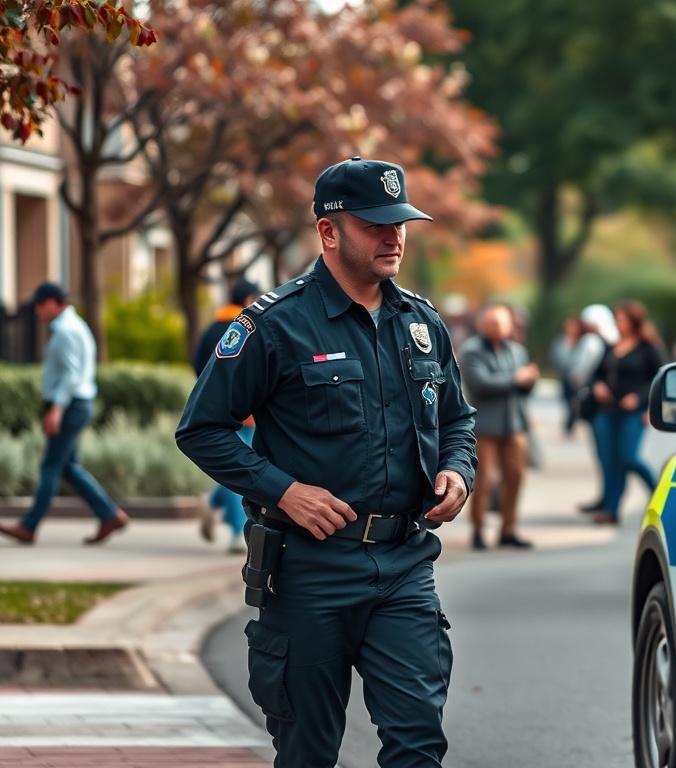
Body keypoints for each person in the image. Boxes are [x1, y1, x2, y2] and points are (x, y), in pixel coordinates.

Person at [175, 157, 476, 768]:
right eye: (375, 224)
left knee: (418, 742)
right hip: (309, 568)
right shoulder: (274, 325)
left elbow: (457, 420)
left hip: (404, 563)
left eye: (400, 223)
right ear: (329, 231)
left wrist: (457, 471)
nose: (393, 236)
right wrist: (283, 491)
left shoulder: (422, 323)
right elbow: (201, 429)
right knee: (308, 750)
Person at [0, 283, 129, 545]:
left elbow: (71, 375)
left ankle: (29, 526)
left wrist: (56, 409)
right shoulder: (73, 326)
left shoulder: (66, 331)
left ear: (53, 303)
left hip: (70, 405)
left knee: (50, 466)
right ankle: (109, 515)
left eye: (39, 304)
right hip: (75, 403)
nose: (36, 311)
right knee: (68, 468)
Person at [191, 278, 262, 554]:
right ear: (246, 300)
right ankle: (236, 532)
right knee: (241, 470)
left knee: (237, 468)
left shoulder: (212, 330)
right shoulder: (252, 327)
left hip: (219, 409)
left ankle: (213, 502)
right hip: (248, 413)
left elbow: (199, 366)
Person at [461, 302, 539, 550]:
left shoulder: (517, 351)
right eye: (495, 322)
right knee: (484, 481)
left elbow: (524, 390)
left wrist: (529, 381)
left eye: (504, 322)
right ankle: (478, 528)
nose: (500, 327)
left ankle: (508, 529)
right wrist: (517, 379)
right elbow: (481, 384)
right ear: (483, 325)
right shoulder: (472, 350)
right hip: (485, 426)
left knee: (515, 477)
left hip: (514, 424)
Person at [589, 300, 665, 525]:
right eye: (617, 319)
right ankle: (611, 510)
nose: (618, 323)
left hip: (634, 412)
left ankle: (659, 492)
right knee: (609, 461)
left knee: (628, 458)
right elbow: (596, 374)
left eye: (622, 319)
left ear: (634, 322)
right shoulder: (611, 346)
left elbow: (660, 378)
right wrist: (598, 386)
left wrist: (642, 400)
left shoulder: (648, 347)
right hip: (607, 411)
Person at [571, 303, 620, 513]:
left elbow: (578, 372)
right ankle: (607, 499)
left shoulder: (592, 342)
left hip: (601, 407)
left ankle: (609, 502)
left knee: (608, 455)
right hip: (611, 406)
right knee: (607, 456)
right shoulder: (617, 342)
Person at [549, 314, 583, 435]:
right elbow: (554, 357)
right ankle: (569, 423)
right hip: (564, 376)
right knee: (567, 401)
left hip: (578, 378)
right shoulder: (560, 341)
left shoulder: (583, 342)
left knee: (575, 401)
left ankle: (570, 423)